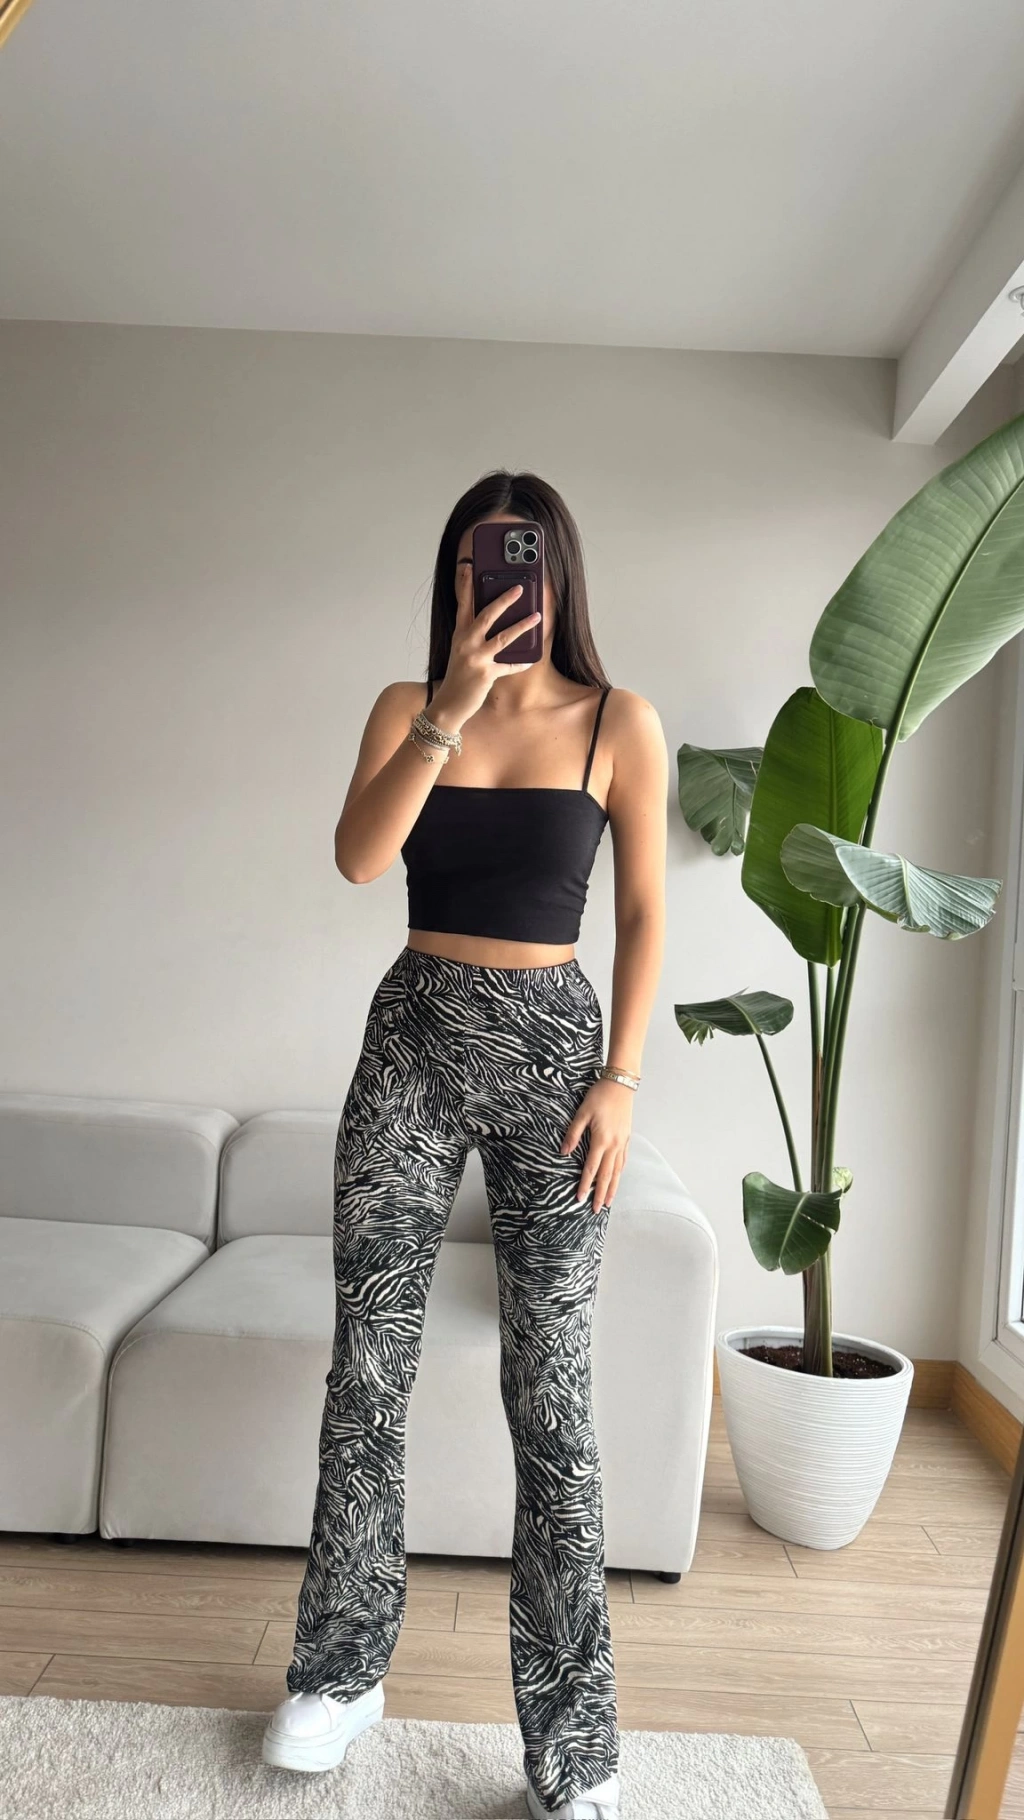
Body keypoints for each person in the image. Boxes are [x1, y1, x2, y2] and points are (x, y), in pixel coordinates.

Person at [261, 470, 668, 1819]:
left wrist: (622, 1078)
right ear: (454, 579)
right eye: (477, 564)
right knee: (367, 1369)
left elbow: (646, 916)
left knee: (552, 1400)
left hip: (558, 1060)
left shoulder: (619, 721)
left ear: (559, 576)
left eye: (523, 561)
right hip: (413, 1043)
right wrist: (449, 706)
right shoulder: (405, 706)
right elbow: (357, 860)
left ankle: (572, 1746)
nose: (500, 583)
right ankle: (340, 1675)